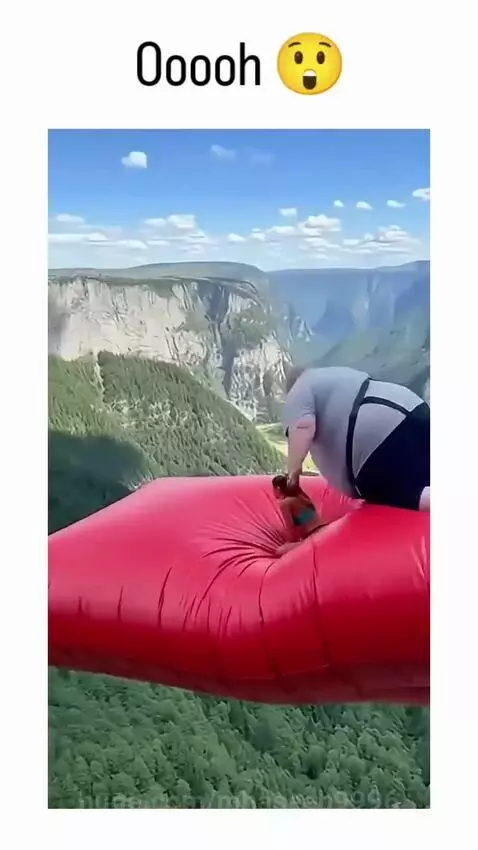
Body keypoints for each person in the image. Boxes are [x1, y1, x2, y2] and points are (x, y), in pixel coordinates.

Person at [283, 365, 430, 512]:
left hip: (375, 438)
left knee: (402, 493)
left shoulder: (300, 388)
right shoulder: (333, 375)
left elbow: (302, 426)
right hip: (412, 406)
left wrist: (292, 478)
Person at [272, 473, 327, 555]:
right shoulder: (300, 495)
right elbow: (307, 517)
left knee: (279, 551)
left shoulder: (284, 503)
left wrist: (289, 543)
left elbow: (291, 532)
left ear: (278, 489)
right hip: (325, 529)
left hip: (315, 536)